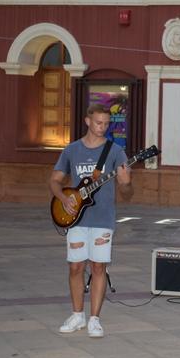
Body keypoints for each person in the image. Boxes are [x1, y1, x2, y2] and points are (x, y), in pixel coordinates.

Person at [49, 104, 132, 338]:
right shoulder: (72, 150)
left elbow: (127, 192)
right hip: (76, 218)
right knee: (76, 266)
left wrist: (125, 182)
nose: (102, 127)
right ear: (87, 121)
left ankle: (95, 319)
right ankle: (77, 315)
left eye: (106, 123)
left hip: (103, 219)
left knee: (98, 266)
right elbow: (54, 181)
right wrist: (63, 198)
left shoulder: (115, 151)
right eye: (98, 123)